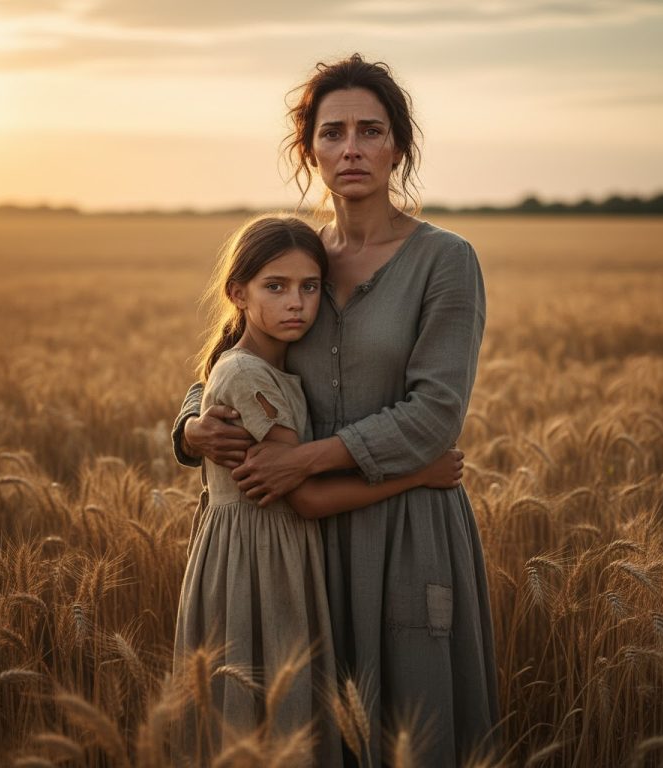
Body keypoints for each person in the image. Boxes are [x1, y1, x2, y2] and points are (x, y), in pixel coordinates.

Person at [173, 54, 501, 765]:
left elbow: (434, 416)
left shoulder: (446, 261)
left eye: (371, 130)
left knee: (418, 731)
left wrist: (300, 459)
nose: (351, 147)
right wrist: (192, 427)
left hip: (410, 527)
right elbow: (231, 357)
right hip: (305, 544)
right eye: (332, 132)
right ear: (309, 150)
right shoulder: (299, 261)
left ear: (399, 147)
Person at [173, 214, 465, 765]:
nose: (297, 304)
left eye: (310, 288)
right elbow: (302, 496)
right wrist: (418, 474)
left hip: (281, 553)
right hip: (260, 559)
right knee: (271, 716)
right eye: (276, 288)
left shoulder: (269, 365)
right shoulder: (250, 374)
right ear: (237, 292)